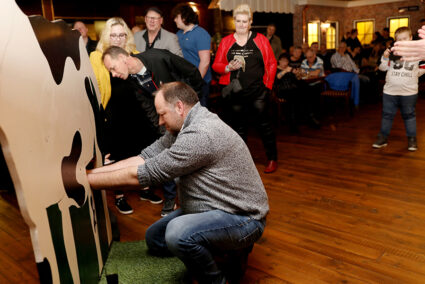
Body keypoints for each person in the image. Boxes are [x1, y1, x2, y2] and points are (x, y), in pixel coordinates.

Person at [87, 81, 269, 283]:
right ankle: (220, 248)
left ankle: (218, 277)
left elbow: (145, 174)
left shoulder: (201, 134)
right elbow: (145, 157)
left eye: (162, 114)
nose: (159, 121)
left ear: (179, 107)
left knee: (178, 235)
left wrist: (87, 180)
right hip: (208, 207)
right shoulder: (182, 127)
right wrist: (94, 172)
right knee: (154, 238)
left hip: (242, 217)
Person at [101, 46, 204, 216]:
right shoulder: (131, 80)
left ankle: (200, 200)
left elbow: (192, 72)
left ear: (122, 57)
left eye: (113, 68)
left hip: (190, 111)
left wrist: (194, 105)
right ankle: (172, 200)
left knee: (195, 156)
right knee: (169, 157)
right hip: (168, 120)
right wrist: (160, 126)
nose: (113, 74)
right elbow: (147, 104)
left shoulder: (158, 56)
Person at [90, 17, 164, 215]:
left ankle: (145, 189)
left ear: (127, 36)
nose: (117, 39)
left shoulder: (136, 55)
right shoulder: (97, 57)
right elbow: (93, 87)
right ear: (106, 36)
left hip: (137, 111)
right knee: (117, 153)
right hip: (113, 112)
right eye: (113, 35)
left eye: (121, 35)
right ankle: (119, 195)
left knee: (143, 149)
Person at [212, 4, 278, 174]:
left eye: (245, 21)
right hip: (235, 93)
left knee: (264, 126)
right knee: (238, 128)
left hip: (258, 92)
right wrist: (227, 68)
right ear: (234, 21)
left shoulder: (261, 40)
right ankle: (242, 162)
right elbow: (216, 65)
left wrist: (267, 87)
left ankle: (272, 158)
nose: (241, 24)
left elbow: (271, 63)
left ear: (250, 22)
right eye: (238, 21)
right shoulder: (226, 41)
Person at [372, 27, 425, 151]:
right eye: (399, 39)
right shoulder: (391, 52)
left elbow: (423, 67)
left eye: (405, 38)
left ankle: (412, 140)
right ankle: (383, 138)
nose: (403, 41)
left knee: (409, 116)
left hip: (409, 92)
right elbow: (382, 68)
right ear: (396, 41)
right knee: (387, 115)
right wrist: (384, 58)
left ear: (411, 38)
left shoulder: (418, 52)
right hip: (390, 91)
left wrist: (415, 73)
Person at [173, 4, 212, 108]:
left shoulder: (201, 34)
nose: (175, 20)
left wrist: (196, 82)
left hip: (198, 82)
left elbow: (205, 62)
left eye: (177, 17)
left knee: (199, 113)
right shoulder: (178, 34)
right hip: (184, 81)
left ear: (184, 17)